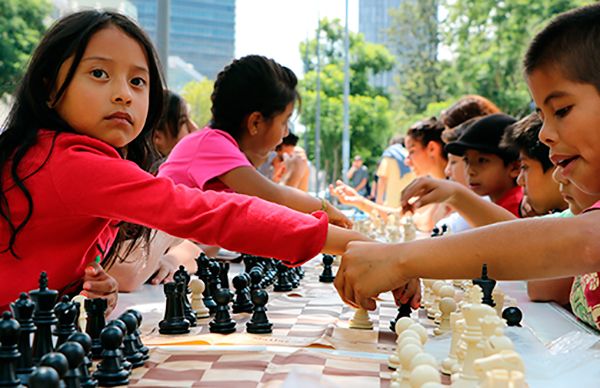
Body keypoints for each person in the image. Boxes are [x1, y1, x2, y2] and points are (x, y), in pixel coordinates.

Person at [0, 11, 368, 313]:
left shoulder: (61, 155)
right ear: (49, 87)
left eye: (138, 81)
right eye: (99, 73)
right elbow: (215, 213)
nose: (123, 94)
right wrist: (351, 243)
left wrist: (89, 292)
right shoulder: (69, 162)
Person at [334, 4, 600, 321]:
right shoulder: (581, 222)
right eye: (542, 116)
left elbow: (583, 241)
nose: (544, 134)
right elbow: (539, 266)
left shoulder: (585, 234)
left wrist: (401, 259)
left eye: (562, 110)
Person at [158, 55, 351, 228]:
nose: (285, 133)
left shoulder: (215, 144)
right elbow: (274, 198)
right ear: (255, 122)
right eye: (284, 122)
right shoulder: (211, 144)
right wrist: (324, 207)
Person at [331, 117, 450, 231]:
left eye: (412, 152)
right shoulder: (436, 188)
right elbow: (400, 217)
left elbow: (404, 219)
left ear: (432, 148)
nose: (407, 161)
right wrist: (358, 201)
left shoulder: (453, 189)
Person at [444, 113, 523, 217]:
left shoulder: (517, 209)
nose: (470, 171)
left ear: (514, 167)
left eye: (482, 160)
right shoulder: (494, 206)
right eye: (467, 160)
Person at [375, 135, 414, 207]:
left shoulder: (388, 157)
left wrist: (379, 200)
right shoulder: (411, 158)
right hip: (410, 202)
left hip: (393, 201)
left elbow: (382, 179)